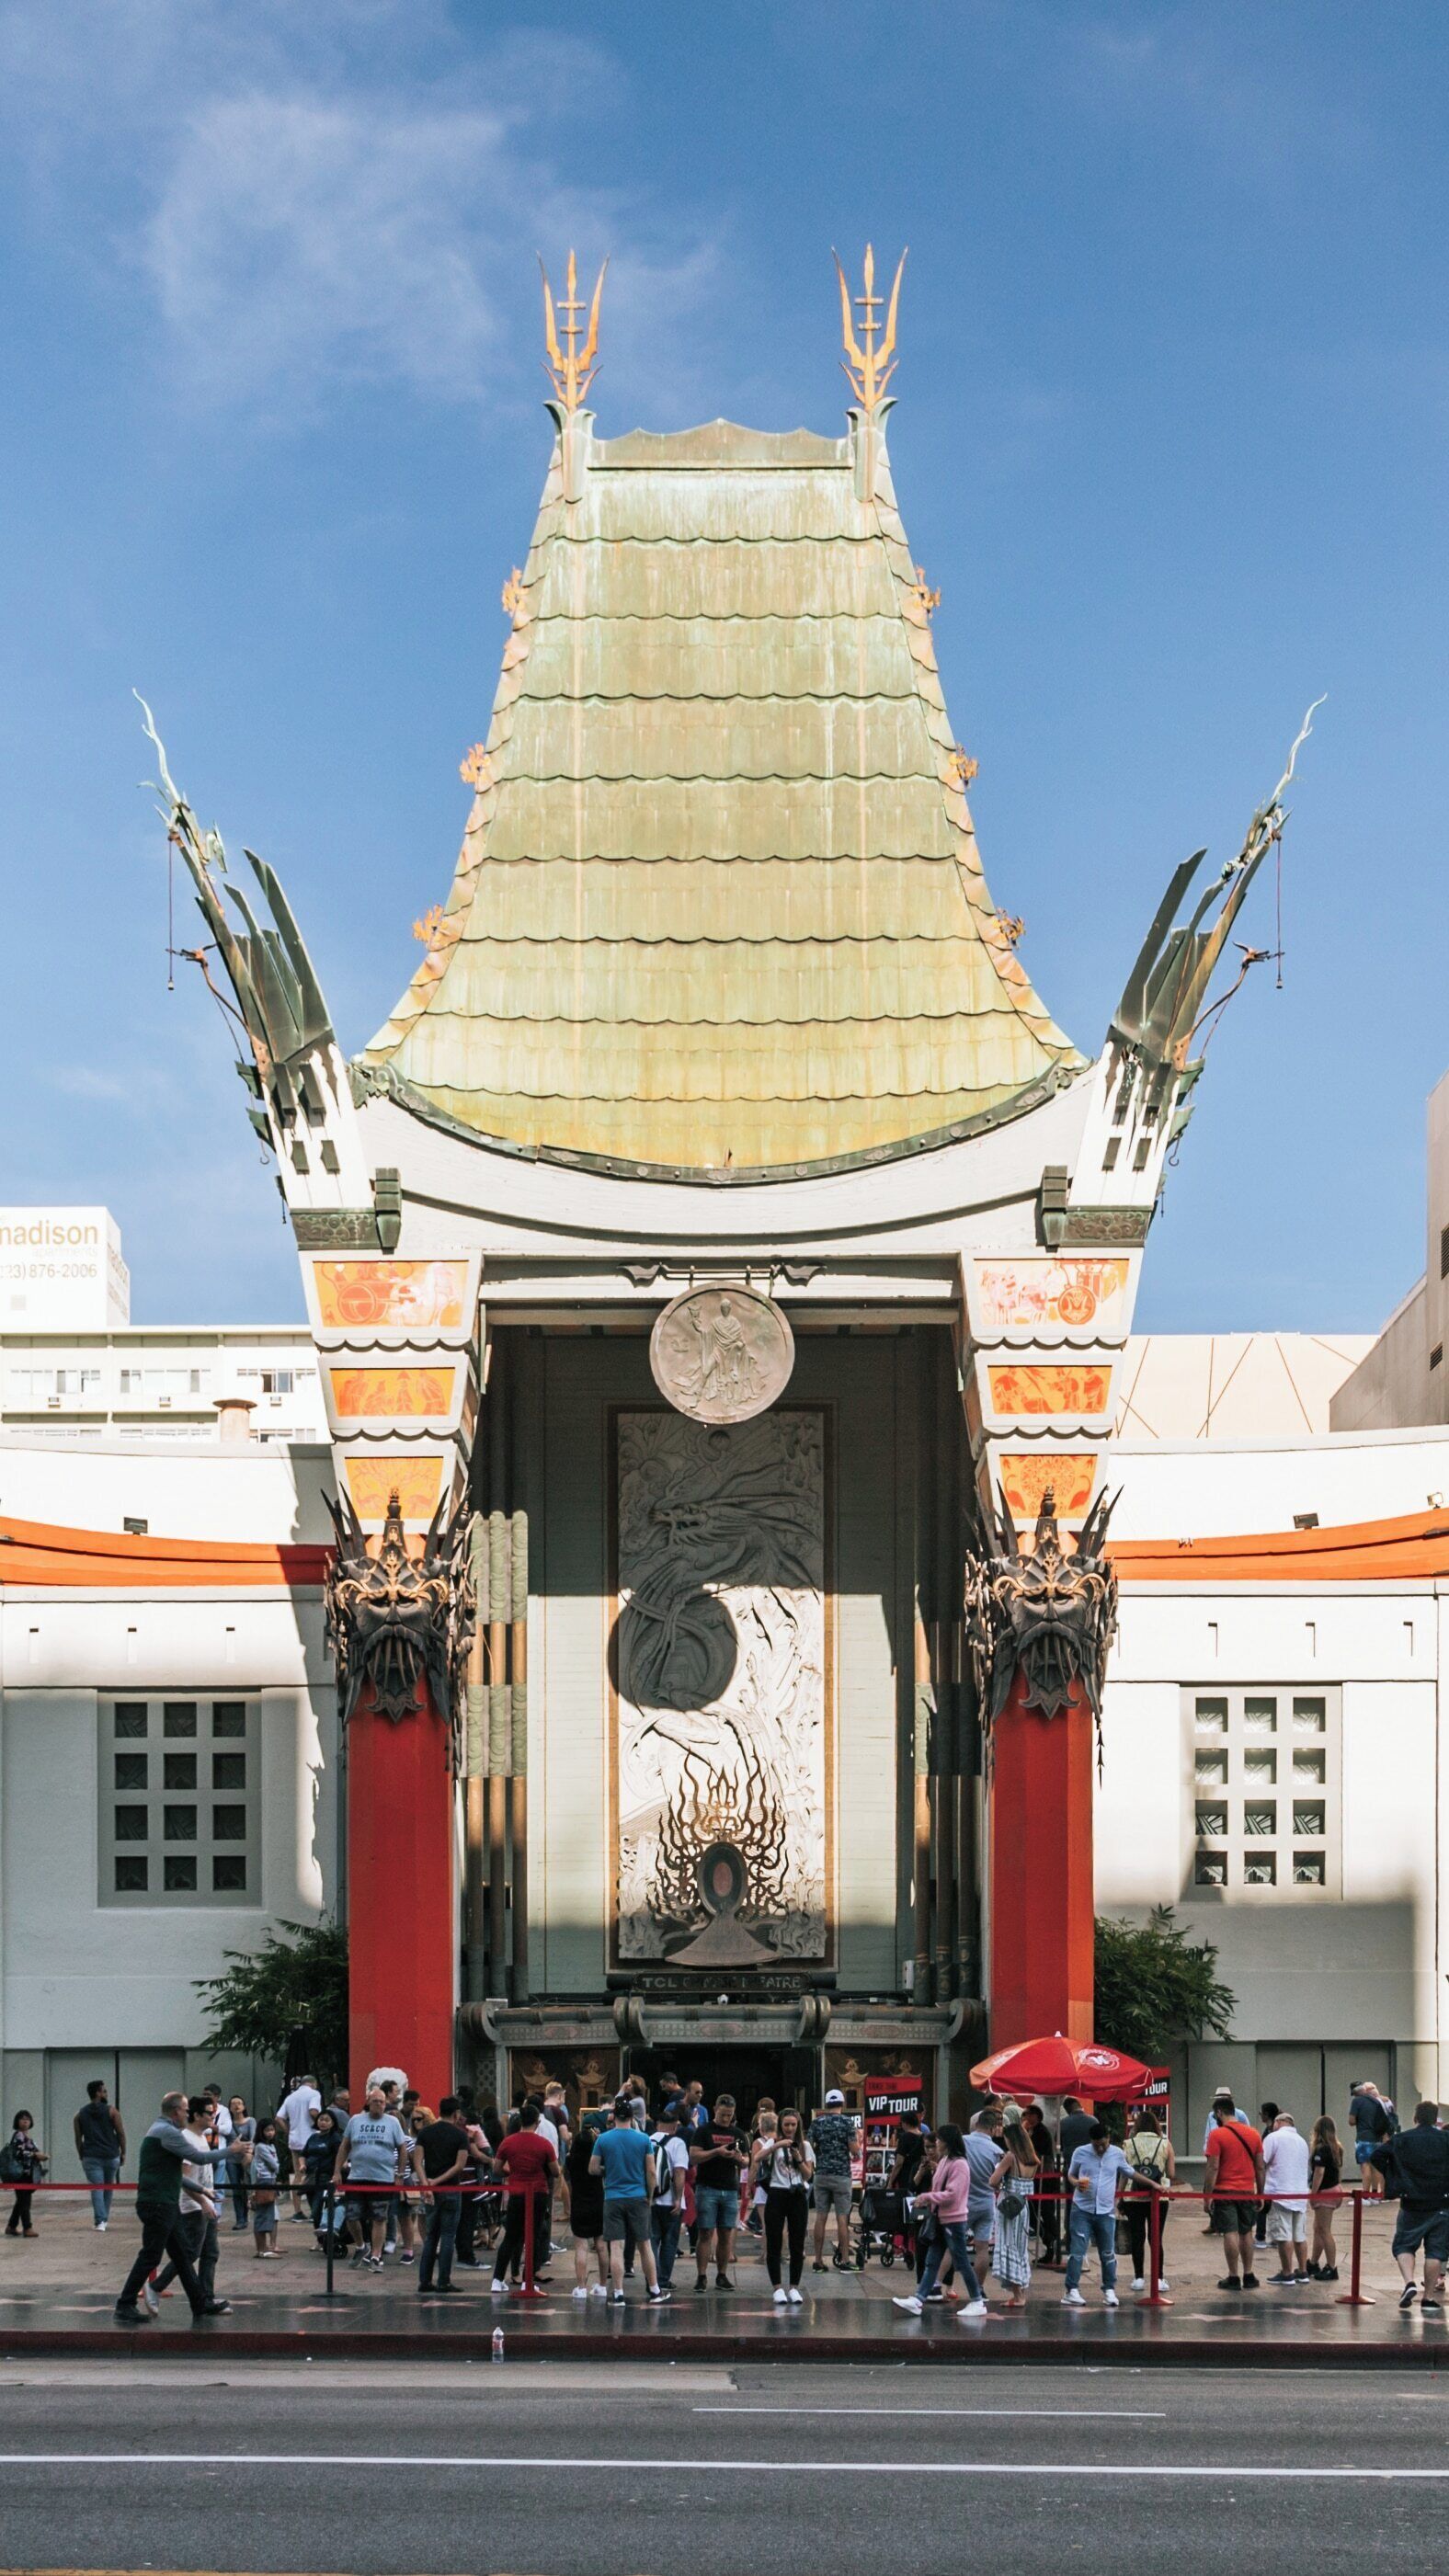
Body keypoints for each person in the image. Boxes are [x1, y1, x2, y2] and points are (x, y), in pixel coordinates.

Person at [114, 2088, 230, 2326]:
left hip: (163, 2202)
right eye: (186, 2110)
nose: (188, 2115)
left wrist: (201, 2190)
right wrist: (233, 2150)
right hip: (158, 2203)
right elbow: (200, 2159)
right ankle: (125, 2304)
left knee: (183, 2255)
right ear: (177, 2111)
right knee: (151, 2255)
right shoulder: (168, 2133)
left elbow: (172, 2174)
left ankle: (199, 2304)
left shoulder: (161, 2131)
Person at [892, 2124, 987, 2320]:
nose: (937, 2144)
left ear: (948, 2142)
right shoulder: (945, 2161)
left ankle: (977, 2300)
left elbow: (953, 2194)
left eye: (939, 2140)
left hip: (953, 2220)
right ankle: (918, 2299)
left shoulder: (959, 2164)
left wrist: (928, 2197)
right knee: (932, 2261)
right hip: (941, 2219)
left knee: (960, 2260)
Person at [1373, 2101, 1449, 2312]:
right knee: (1436, 2251)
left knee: (1405, 2245)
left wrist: (1394, 2177)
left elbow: (1377, 2156)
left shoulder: (1402, 2139)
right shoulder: (1446, 2139)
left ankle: (1409, 2282)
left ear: (1415, 2118)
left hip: (1412, 2201)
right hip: (1442, 2202)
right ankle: (1429, 2298)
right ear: (1436, 2119)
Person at [149, 2096, 222, 2308]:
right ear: (196, 2115)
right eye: (209, 2113)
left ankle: (207, 2298)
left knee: (210, 2253)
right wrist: (203, 2202)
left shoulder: (201, 2138)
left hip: (205, 2204)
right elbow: (184, 2178)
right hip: (191, 2207)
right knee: (189, 2253)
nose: (212, 2117)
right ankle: (156, 2286)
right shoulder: (186, 2139)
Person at [590, 2095, 663, 2305]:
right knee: (645, 2245)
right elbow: (650, 2171)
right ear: (632, 2117)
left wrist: (609, 2169)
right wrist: (649, 2196)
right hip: (638, 2195)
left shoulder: (603, 2139)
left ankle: (619, 2293)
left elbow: (593, 2168)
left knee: (616, 2246)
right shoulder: (643, 2140)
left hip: (613, 2197)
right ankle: (654, 2289)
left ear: (614, 2117)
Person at [492, 2098, 565, 2294]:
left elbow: (497, 2169)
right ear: (537, 2122)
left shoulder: (508, 2142)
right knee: (534, 2236)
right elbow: (556, 2171)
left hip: (516, 2191)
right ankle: (528, 2281)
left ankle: (497, 2279)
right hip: (538, 2192)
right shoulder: (544, 2144)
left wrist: (512, 2173)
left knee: (511, 2237)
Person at [337, 2083, 409, 2270]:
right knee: (352, 2215)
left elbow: (402, 2149)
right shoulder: (355, 2120)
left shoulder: (392, 2123)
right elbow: (344, 2146)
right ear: (368, 2102)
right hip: (357, 2176)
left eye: (382, 2102)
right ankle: (361, 2246)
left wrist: (400, 2174)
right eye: (375, 2101)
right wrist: (337, 2170)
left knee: (379, 2217)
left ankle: (376, 2255)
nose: (379, 2105)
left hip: (383, 2178)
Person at [1062, 2119, 1132, 2308]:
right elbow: (1071, 2174)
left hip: (1105, 2209)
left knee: (1108, 2251)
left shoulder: (1117, 2153)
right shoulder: (1080, 2152)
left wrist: (1153, 2184)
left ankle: (1109, 2289)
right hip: (1082, 2208)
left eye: (1103, 2145)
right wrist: (1075, 2182)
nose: (1100, 2149)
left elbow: (1128, 2171)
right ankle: (1071, 2289)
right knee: (1077, 2251)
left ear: (1108, 2139)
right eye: (1096, 2145)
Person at [752, 2106, 814, 2305]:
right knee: (774, 2240)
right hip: (777, 2193)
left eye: (793, 2125)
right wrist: (775, 2147)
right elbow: (757, 2157)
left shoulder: (804, 2145)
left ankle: (794, 2287)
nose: (789, 2128)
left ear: (798, 2126)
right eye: (786, 2124)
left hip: (797, 2194)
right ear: (780, 2125)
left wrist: (798, 2158)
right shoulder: (773, 2141)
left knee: (797, 2243)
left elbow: (808, 2175)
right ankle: (777, 2287)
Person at [1203, 2102, 1265, 2290]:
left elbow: (1213, 2166)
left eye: (1215, 2116)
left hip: (1224, 2191)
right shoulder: (1254, 2134)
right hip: (1247, 2190)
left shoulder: (1217, 2135)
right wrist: (1260, 2193)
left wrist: (1207, 2195)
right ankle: (1249, 2274)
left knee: (1230, 2232)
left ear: (1220, 2113)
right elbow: (1260, 2167)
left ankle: (1233, 2276)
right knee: (1246, 2232)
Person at [690, 2092, 747, 2292]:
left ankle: (722, 2274)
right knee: (705, 2231)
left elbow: (747, 2159)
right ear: (715, 2110)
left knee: (726, 2232)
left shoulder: (738, 2133)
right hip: (707, 2186)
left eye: (729, 2115)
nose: (726, 2119)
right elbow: (694, 2156)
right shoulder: (704, 2131)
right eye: (723, 2114)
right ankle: (702, 2274)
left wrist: (740, 2159)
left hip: (729, 2188)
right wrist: (716, 2151)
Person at [416, 2095, 470, 2296]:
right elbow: (459, 2165)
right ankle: (444, 2281)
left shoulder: (426, 2133)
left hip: (430, 2190)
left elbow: (417, 2161)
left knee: (431, 2236)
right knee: (448, 2235)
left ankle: (424, 2280)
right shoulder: (460, 2135)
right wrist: (438, 2181)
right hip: (451, 2189)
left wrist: (426, 2184)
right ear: (456, 2114)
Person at [989, 2114, 1039, 2308]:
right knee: (1019, 2248)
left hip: (1008, 2205)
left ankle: (1018, 2295)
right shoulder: (1033, 2160)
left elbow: (993, 2181)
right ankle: (1019, 2292)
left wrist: (999, 2173)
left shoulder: (1010, 2157)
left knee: (1008, 2245)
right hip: (1023, 2207)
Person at [1124, 2107, 1176, 2291]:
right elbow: (1171, 2173)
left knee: (1137, 2237)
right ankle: (1159, 2278)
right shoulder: (1165, 2143)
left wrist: (1119, 2196)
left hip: (1133, 2197)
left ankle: (1138, 2278)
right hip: (1159, 2197)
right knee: (1156, 2238)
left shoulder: (1128, 2144)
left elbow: (1124, 2172)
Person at [1261, 2110, 1313, 2285]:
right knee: (1300, 2235)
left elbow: (1262, 2162)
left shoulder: (1273, 2138)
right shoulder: (1302, 2141)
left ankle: (1287, 2273)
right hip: (1300, 2194)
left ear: (1279, 2122)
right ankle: (1303, 2271)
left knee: (1284, 2236)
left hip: (1279, 2194)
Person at [809, 2089, 855, 2272]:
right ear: (842, 2104)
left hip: (821, 2174)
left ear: (826, 2104)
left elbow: (809, 2147)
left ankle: (818, 2260)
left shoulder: (817, 2123)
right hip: (842, 2175)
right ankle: (845, 2260)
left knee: (821, 2217)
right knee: (842, 2218)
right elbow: (854, 2149)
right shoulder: (847, 2122)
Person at [649, 2097, 690, 2292]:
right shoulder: (677, 2143)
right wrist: (677, 2197)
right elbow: (680, 2172)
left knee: (652, 2240)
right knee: (669, 2242)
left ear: (658, 2124)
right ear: (675, 2126)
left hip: (650, 2200)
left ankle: (652, 2280)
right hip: (671, 2200)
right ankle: (663, 2279)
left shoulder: (647, 2141)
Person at [74, 2080, 126, 2230]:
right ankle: (104, 2219)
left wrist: (81, 2154)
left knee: (97, 2188)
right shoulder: (112, 2111)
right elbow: (121, 2134)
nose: (106, 2093)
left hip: (91, 2156)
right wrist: (124, 2152)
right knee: (108, 2188)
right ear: (97, 2093)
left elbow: (78, 2138)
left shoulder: (79, 2114)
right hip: (111, 2155)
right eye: (104, 2091)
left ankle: (100, 2221)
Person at [566, 2113, 608, 2299]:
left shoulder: (571, 2160)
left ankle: (581, 2287)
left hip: (579, 2203)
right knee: (601, 2246)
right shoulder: (597, 2160)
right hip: (598, 2201)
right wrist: (599, 2139)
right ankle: (602, 2285)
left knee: (581, 2247)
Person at [964, 2104, 1004, 2278]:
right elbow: (999, 2181)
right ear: (993, 2128)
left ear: (976, 2124)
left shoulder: (962, 2141)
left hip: (963, 2202)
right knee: (982, 2248)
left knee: (952, 2246)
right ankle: (978, 2288)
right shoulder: (997, 2151)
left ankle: (938, 2285)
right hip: (986, 2202)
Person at [1020, 2103, 1060, 2264]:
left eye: (1028, 2114)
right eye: (1025, 2115)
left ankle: (1051, 2241)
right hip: (1036, 2178)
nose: (1026, 2118)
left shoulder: (1040, 2132)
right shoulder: (1034, 2131)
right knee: (1034, 2214)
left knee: (1044, 2213)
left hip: (1045, 2179)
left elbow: (1034, 2154)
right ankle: (1049, 2239)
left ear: (1036, 2116)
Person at [277, 2072, 322, 2217]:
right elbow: (314, 2111)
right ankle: (315, 2209)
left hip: (295, 2139)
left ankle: (297, 2211)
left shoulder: (290, 2097)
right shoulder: (314, 2094)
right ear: (313, 2084)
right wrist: (321, 2124)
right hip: (311, 2139)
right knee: (314, 2174)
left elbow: (279, 2118)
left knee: (298, 2175)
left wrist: (289, 2130)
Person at [1306, 2114, 1343, 2281]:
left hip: (1325, 2192)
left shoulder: (1321, 2150)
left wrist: (1313, 2194)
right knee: (1318, 2228)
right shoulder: (1337, 2148)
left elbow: (1319, 2173)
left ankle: (1331, 2266)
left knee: (1324, 2230)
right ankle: (1313, 2262)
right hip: (1335, 2189)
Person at [303, 2105, 344, 2249]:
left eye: (327, 2120)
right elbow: (304, 2154)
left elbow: (341, 2156)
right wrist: (302, 2165)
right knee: (313, 2211)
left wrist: (337, 2172)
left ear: (333, 2123)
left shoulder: (335, 2138)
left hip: (326, 2178)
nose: (323, 2122)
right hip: (310, 2178)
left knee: (317, 2209)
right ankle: (321, 2241)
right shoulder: (313, 2137)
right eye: (321, 2119)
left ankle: (325, 2238)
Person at [3, 2111, 46, 2236]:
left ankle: (11, 2226)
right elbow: (20, 2153)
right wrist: (35, 2155)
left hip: (27, 2173)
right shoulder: (19, 2135)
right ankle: (27, 2228)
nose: (25, 2121)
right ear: (17, 2122)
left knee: (21, 2200)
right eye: (22, 2119)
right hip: (20, 2173)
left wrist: (39, 2155)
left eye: (27, 2119)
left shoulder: (27, 2136)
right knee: (25, 2201)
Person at [1350, 2080, 1392, 2199]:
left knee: (1365, 2166)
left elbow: (1351, 2121)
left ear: (1355, 2092)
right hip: (1377, 2138)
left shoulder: (1357, 2101)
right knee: (1375, 2166)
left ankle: (1365, 2196)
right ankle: (1375, 2193)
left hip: (1364, 2138)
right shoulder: (1376, 2101)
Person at [245, 2116, 282, 2256]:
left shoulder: (271, 2146)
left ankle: (265, 2247)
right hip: (264, 2181)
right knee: (263, 2213)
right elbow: (274, 2165)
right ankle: (262, 2249)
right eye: (267, 2130)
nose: (270, 2133)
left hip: (270, 2180)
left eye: (272, 2130)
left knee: (268, 2213)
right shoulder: (260, 2147)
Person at [225, 2096, 255, 2229]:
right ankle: (240, 2219)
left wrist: (249, 2153)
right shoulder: (228, 2124)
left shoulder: (250, 2121)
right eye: (233, 2104)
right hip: (231, 2159)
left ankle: (248, 2215)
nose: (236, 2106)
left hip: (246, 2157)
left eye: (239, 2103)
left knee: (248, 2187)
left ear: (244, 2106)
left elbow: (254, 2138)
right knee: (236, 2188)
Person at [1058, 2096, 1095, 2163]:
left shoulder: (1064, 2123)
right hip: (1090, 2157)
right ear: (1080, 2106)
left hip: (1071, 2158)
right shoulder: (1094, 2121)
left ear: (1067, 2110)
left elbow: (1058, 2140)